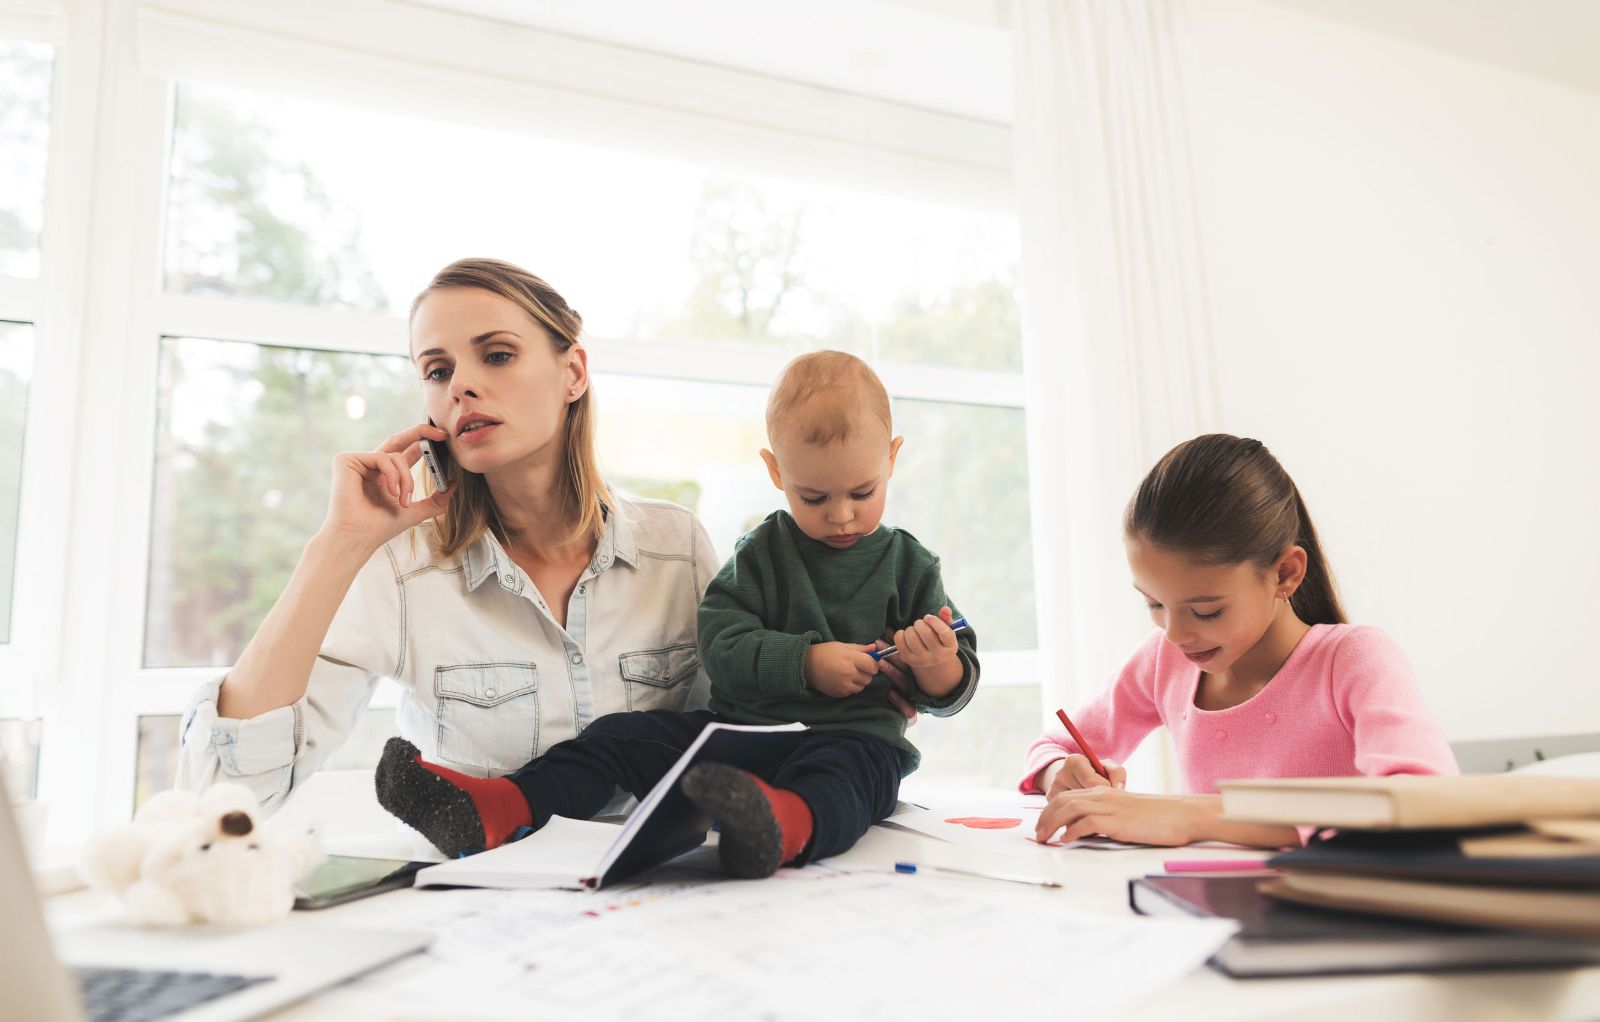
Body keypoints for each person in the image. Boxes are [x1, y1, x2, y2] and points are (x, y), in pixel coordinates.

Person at [376, 350, 979, 876]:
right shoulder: (762, 553)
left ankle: (780, 827)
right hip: (742, 742)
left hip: (855, 741)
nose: (841, 515)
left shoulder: (909, 564)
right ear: (775, 472)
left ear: (892, 460)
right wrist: (806, 664)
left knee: (846, 778)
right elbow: (720, 644)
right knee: (618, 737)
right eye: (813, 497)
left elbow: (955, 681)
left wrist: (938, 667)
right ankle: (499, 807)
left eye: (862, 493)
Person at [175, 258, 724, 811]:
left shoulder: (677, 548)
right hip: (476, 891)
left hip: (658, 889)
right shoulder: (401, 567)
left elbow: (729, 746)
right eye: (437, 371)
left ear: (573, 373)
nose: (461, 385)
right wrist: (337, 545)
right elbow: (226, 793)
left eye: (497, 355)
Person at [1024, 434, 1457, 849]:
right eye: (1153, 604)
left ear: (1285, 573)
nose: (1174, 634)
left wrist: (1193, 817)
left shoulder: (1352, 658)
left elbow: (1424, 802)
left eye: (1206, 610)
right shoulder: (1164, 661)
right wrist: (1061, 772)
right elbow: (1049, 749)